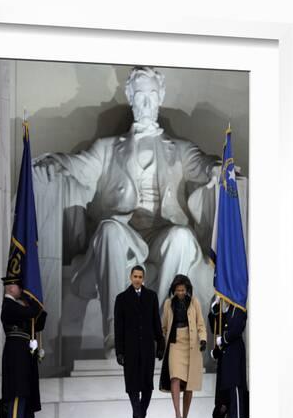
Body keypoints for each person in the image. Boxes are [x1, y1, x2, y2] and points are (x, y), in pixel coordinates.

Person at [34, 66, 220, 357]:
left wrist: (218, 168)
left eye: (151, 96)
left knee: (183, 237)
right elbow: (80, 166)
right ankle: (116, 335)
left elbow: (204, 163)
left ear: (160, 98)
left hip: (163, 235)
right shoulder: (108, 148)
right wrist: (56, 162)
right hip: (125, 233)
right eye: (140, 96)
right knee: (108, 229)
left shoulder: (180, 149)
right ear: (131, 99)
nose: (146, 103)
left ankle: (158, 329)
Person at [114, 265, 165, 418]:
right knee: (132, 384)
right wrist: (119, 352)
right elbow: (118, 328)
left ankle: (141, 414)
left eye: (140, 277)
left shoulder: (151, 296)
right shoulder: (121, 298)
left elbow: (156, 322)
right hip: (130, 349)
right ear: (131, 277)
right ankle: (138, 416)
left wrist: (161, 345)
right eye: (135, 276)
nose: (137, 279)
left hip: (147, 348)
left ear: (143, 279)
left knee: (147, 385)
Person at [0, 279, 47, 418]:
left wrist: (34, 304)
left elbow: (38, 322)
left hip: (23, 359)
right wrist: (33, 300)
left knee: (24, 395)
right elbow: (32, 312)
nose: (22, 291)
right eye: (21, 288)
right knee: (17, 395)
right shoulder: (9, 306)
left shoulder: (17, 307)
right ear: (12, 288)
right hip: (16, 358)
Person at [159, 274, 207, 418]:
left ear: (187, 290)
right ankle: (177, 414)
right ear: (174, 290)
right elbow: (164, 327)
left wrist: (203, 339)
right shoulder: (168, 303)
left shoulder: (194, 302)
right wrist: (160, 344)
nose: (180, 292)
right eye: (177, 290)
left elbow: (200, 324)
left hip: (190, 344)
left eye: (182, 290)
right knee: (175, 378)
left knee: (189, 384)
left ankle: (185, 417)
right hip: (174, 343)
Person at [208, 297, 248, 418]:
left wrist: (223, 339)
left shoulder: (238, 307)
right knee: (226, 388)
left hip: (234, 352)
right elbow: (216, 327)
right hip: (226, 354)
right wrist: (215, 308)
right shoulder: (228, 309)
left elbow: (235, 329)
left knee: (235, 385)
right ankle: (230, 417)